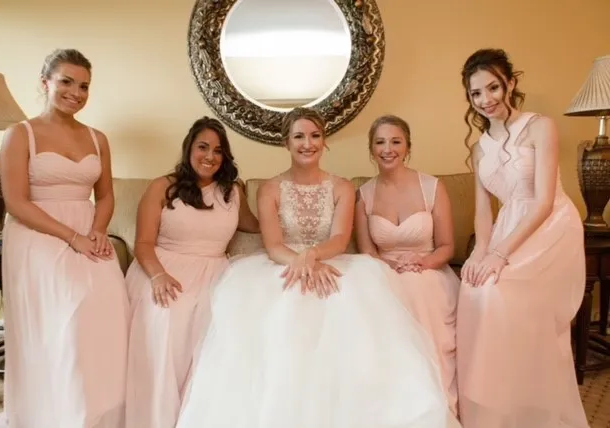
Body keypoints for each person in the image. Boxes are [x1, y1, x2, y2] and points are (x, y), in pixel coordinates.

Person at [174, 107, 461, 428]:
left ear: (324, 141)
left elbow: (339, 238)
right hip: (283, 262)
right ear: (286, 142)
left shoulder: (342, 188)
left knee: (353, 302)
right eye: (299, 136)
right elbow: (273, 244)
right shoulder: (269, 189)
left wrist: (313, 256)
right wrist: (300, 261)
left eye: (315, 136)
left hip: (328, 259)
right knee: (282, 305)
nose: (307, 143)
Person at [0, 49, 129, 428]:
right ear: (45, 82)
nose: (76, 92)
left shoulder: (98, 138)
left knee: (110, 308)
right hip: (38, 234)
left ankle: (99, 413)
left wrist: (97, 230)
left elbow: (105, 195)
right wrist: (72, 237)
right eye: (66, 81)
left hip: (88, 232)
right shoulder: (20, 134)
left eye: (84, 86)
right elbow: (16, 202)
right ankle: (57, 414)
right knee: (63, 322)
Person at [456, 48, 589, 427]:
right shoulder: (478, 148)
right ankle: (495, 409)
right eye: (476, 93)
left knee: (499, 293)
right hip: (507, 229)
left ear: (511, 84)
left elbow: (543, 202)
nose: (486, 99)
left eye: (493, 87)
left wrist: (499, 254)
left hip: (549, 227)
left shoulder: (540, 127)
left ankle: (531, 409)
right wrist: (479, 253)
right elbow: (484, 212)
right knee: (472, 288)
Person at [124, 116, 259, 428]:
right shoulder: (162, 186)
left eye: (218, 150)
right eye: (203, 147)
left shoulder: (232, 191)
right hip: (164, 267)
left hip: (216, 272)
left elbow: (255, 224)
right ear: (189, 149)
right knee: (171, 314)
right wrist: (158, 276)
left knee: (221, 321)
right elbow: (143, 243)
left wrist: (292, 219)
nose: (209, 156)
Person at [355, 114, 460, 416]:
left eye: (396, 142)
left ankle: (435, 401)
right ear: (371, 149)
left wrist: (423, 261)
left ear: (408, 147)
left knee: (416, 289)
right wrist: (388, 266)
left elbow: (447, 246)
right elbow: (367, 252)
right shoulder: (362, 195)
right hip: (384, 272)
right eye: (380, 142)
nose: (388, 149)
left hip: (429, 271)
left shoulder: (433, 187)